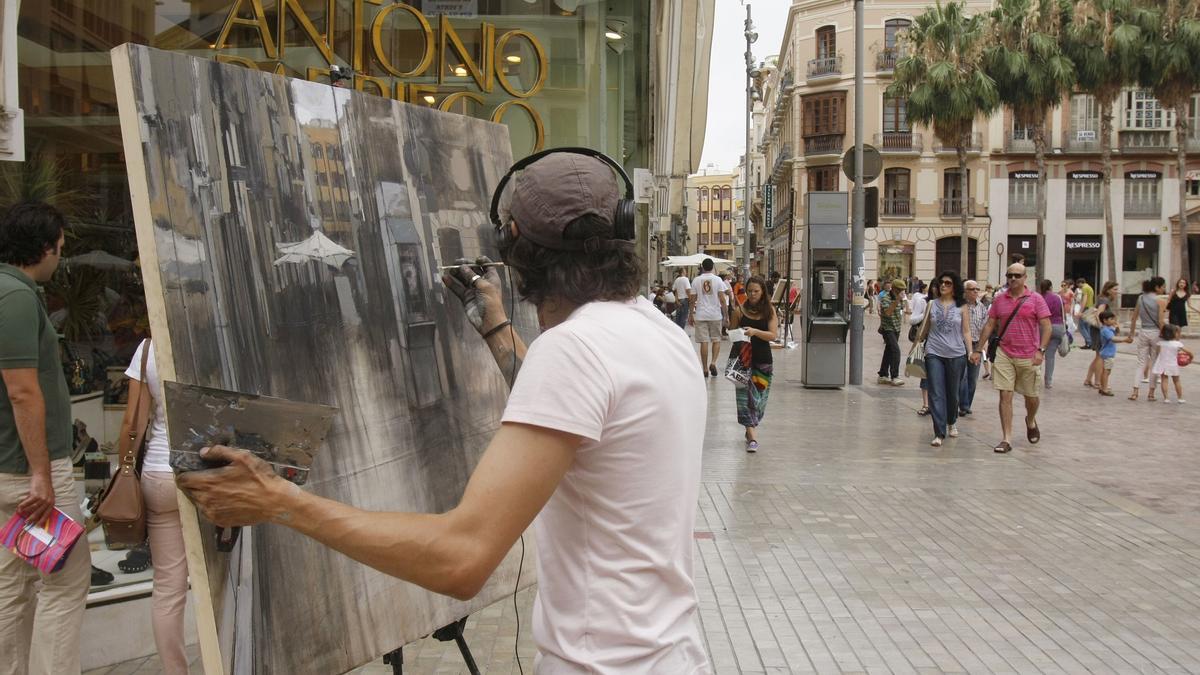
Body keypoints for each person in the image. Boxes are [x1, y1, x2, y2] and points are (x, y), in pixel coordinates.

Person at [176, 151, 712, 672]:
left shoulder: (573, 349)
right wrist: (496, 327)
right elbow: (579, 417)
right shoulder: (659, 332)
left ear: (512, 245)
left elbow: (462, 558)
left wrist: (279, 502)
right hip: (672, 655)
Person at [0, 202, 91, 675]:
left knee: (13, 588)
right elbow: (21, 390)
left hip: (11, 466)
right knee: (65, 580)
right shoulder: (15, 295)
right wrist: (41, 473)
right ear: (44, 246)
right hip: (28, 470)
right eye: (60, 246)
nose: (60, 256)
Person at [122, 339, 189, 674]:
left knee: (168, 588)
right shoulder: (214, 333)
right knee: (226, 578)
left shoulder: (149, 347)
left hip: (160, 473)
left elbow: (133, 424)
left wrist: (123, 474)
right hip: (212, 474)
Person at [971, 263, 1051, 454]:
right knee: (1005, 395)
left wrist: (1041, 350)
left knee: (1031, 397)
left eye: (1017, 275)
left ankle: (1030, 420)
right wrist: (978, 349)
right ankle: (1006, 438)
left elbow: (1046, 326)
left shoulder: (1036, 299)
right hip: (1005, 352)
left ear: (1025, 278)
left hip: (1029, 354)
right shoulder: (999, 300)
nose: (1013, 278)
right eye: (1010, 275)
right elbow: (990, 324)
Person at [917, 272, 972, 447]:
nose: (943, 286)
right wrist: (916, 347)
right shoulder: (932, 304)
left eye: (948, 283)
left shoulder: (962, 306)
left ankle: (951, 420)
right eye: (941, 283)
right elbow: (924, 328)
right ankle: (939, 432)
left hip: (956, 353)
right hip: (934, 352)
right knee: (936, 392)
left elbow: (966, 331)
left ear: (954, 286)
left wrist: (971, 351)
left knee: (952, 393)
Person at [729, 276, 778, 452]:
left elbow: (773, 335)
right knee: (744, 401)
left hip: (763, 361)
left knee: (758, 402)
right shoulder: (739, 311)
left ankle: (750, 429)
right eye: (749, 291)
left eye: (756, 291)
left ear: (763, 291)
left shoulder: (769, 311)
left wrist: (755, 332)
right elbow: (732, 335)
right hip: (743, 361)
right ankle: (752, 436)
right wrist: (739, 334)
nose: (752, 294)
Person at [1128, 276, 1167, 401]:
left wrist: (1131, 334)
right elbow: (1161, 321)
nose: (1164, 289)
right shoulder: (1160, 301)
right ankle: (1151, 393)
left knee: (1140, 363)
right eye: (1163, 286)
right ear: (1157, 287)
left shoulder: (1140, 298)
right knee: (1155, 363)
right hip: (1156, 333)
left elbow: (1134, 317)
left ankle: (1135, 391)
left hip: (1143, 331)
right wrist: (1167, 335)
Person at [690, 258, 728, 377]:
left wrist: (691, 314)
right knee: (716, 339)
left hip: (701, 315)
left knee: (704, 342)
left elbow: (692, 300)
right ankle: (713, 362)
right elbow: (722, 299)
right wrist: (726, 315)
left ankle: (705, 369)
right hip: (715, 315)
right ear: (712, 267)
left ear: (702, 267)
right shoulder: (718, 280)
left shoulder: (696, 280)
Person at [959, 279, 988, 416]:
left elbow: (985, 327)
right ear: (965, 291)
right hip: (961, 344)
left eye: (977, 289)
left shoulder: (981, 307)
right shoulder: (960, 306)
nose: (976, 291)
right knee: (962, 376)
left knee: (973, 377)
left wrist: (983, 346)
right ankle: (963, 405)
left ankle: (967, 404)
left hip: (976, 345)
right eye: (972, 289)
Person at [1083, 281, 1119, 389]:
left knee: (1098, 356)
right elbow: (1099, 313)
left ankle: (1088, 379)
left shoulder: (1102, 299)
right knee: (1100, 356)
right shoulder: (1104, 300)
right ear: (1108, 290)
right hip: (1098, 330)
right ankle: (1098, 382)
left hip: (1096, 330)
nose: (1116, 292)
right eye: (1115, 289)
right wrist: (1102, 327)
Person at [876, 279, 906, 386]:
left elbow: (902, 311)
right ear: (894, 289)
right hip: (887, 328)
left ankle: (883, 374)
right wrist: (897, 300)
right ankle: (895, 376)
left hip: (896, 328)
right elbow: (888, 312)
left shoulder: (901, 298)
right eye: (900, 290)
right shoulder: (885, 298)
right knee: (895, 350)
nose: (902, 292)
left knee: (889, 350)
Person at [1153, 323, 1192, 403]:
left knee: (1164, 380)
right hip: (1173, 364)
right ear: (1174, 333)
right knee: (1177, 381)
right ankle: (1180, 398)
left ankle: (1166, 398)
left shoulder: (1160, 343)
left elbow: (1158, 353)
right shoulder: (1177, 344)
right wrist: (1190, 359)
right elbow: (1190, 353)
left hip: (1163, 364)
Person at [1039, 279, 1066, 389]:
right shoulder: (1058, 298)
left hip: (1043, 327)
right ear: (1050, 287)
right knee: (1050, 356)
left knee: (1039, 352)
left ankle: (1035, 377)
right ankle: (1048, 381)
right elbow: (1063, 311)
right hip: (1057, 326)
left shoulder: (1040, 298)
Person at [1096, 310, 1128, 396]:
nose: (1113, 321)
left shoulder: (1108, 328)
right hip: (1108, 353)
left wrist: (1117, 328)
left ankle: (1102, 387)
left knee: (1105, 371)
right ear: (1105, 320)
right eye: (1111, 319)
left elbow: (1116, 333)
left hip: (1106, 352)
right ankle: (1104, 389)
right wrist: (1124, 340)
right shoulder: (1106, 330)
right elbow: (1113, 338)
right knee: (1106, 372)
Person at [1076, 277, 1095, 348]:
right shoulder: (1090, 287)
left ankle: (1089, 342)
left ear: (1080, 283)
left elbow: (1084, 300)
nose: (1078, 286)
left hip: (1086, 308)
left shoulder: (1084, 288)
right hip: (1090, 308)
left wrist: (1080, 311)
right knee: (1087, 327)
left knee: (1081, 327)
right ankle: (1089, 343)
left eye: (1078, 285)